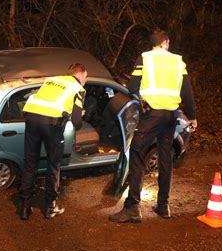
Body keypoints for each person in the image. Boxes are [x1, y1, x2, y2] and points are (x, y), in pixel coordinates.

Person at [109, 29, 197, 223]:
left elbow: (132, 87)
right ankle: (163, 206)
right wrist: (192, 116)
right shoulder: (177, 61)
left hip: (152, 115)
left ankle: (132, 207)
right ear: (166, 42)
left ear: (153, 44)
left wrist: (143, 97)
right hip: (171, 116)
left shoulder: (145, 58)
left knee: (137, 152)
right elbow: (186, 90)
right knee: (166, 157)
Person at [19, 63, 88, 220]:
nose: (86, 80)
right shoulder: (78, 88)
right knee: (53, 165)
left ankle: (24, 207)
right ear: (82, 74)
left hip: (31, 118)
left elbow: (51, 100)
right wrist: (79, 115)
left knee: (30, 164)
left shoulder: (52, 79)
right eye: (86, 76)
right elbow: (77, 122)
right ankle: (50, 207)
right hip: (51, 125)